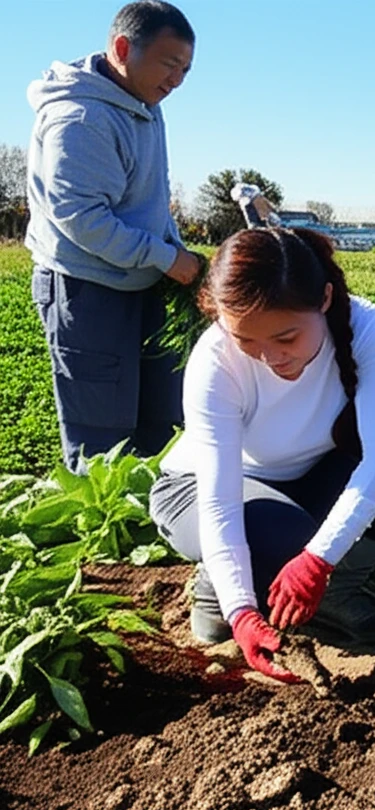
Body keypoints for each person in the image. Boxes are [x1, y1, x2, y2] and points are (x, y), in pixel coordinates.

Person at [148, 228, 375, 682]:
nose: (269, 357)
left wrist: (319, 562)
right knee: (286, 535)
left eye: (286, 338)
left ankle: (338, 589)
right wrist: (243, 613)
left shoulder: (366, 326)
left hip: (304, 475)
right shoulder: (214, 362)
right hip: (199, 492)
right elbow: (219, 501)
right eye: (248, 341)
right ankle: (220, 589)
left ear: (324, 300)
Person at [25, 1, 203, 473]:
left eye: (185, 69)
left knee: (160, 415)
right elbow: (82, 218)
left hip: (139, 280)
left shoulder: (144, 103)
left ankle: (157, 519)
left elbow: (149, 197)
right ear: (123, 48)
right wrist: (164, 257)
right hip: (88, 290)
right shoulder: (81, 118)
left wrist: (173, 247)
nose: (177, 80)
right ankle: (107, 532)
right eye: (170, 64)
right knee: (100, 433)